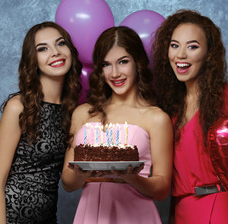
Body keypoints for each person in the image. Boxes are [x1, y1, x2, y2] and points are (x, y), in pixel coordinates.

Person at [61, 26, 173, 224]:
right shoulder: (83, 114)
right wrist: (82, 174)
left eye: (123, 62)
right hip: (90, 214)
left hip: (136, 215)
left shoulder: (156, 118)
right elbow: (68, 183)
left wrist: (130, 178)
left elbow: (163, 189)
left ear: (138, 63)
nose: (115, 73)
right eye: (106, 64)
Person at [152, 10, 228, 224]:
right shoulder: (168, 109)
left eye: (192, 46)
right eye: (174, 45)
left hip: (221, 210)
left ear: (209, 54)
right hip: (182, 212)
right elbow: (172, 183)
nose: (180, 55)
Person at [0, 21, 82, 224]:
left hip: (47, 218)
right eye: (43, 49)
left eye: (60, 44)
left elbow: (68, 181)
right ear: (32, 60)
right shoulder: (19, 106)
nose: (55, 52)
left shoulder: (73, 111)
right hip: (7, 217)